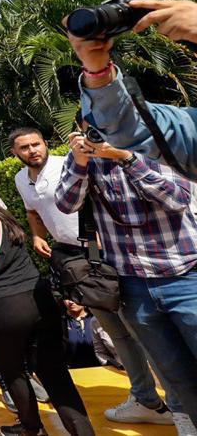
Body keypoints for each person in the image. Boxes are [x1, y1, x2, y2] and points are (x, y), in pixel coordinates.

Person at [9, 126, 180, 428]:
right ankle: (147, 400)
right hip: (76, 261)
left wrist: (104, 242)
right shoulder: (21, 179)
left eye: (36, 144)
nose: (32, 150)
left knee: (141, 330)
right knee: (116, 332)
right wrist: (37, 235)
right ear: (14, 152)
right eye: (25, 147)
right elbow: (33, 212)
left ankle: (178, 405)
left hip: (105, 254)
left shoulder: (69, 164)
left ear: (45, 143)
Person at [54, 118, 197, 425]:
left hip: (184, 275)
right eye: (91, 128)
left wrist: (126, 158)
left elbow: (178, 198)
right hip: (132, 284)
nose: (100, 134)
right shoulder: (82, 160)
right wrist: (80, 162)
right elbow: (66, 204)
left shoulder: (158, 147)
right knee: (172, 370)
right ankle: (186, 420)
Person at [0, 180, 95, 436]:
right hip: (38, 296)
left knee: (13, 370)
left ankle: (32, 428)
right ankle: (83, 430)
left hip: (2, 306)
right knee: (54, 370)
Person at [69, 25, 197, 178]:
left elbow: (174, 194)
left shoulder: (143, 153)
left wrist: (127, 158)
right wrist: (96, 66)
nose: (101, 135)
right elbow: (132, 123)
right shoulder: (189, 126)